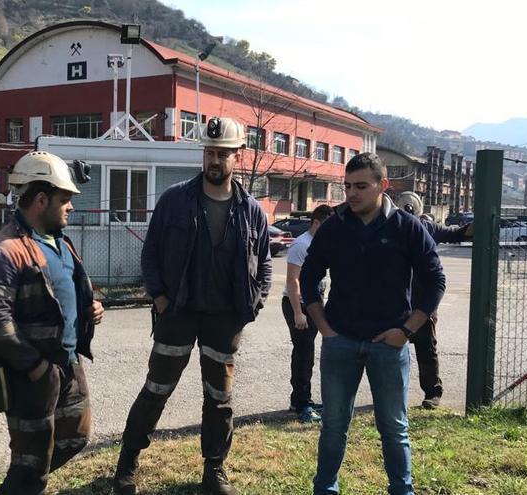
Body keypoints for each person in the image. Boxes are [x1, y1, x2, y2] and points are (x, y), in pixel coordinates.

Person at [112, 117, 272, 495]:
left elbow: (263, 261)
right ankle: (127, 464)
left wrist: (256, 300)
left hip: (224, 319)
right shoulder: (175, 199)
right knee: (156, 389)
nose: (214, 161)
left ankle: (214, 470)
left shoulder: (251, 211)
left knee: (219, 398)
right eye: (209, 153)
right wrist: (161, 297)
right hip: (178, 313)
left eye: (222, 154)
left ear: (237, 157)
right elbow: (150, 254)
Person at [300, 153, 446, 495]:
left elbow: (435, 281)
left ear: (383, 186)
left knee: (394, 428)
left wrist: (407, 331)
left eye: (361, 186)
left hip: (390, 346)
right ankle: (325, 489)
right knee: (334, 426)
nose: (351, 193)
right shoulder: (334, 227)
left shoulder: (408, 227)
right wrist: (325, 328)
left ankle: (402, 489)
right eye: (347, 186)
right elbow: (308, 277)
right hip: (341, 343)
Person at [0, 151, 105, 495]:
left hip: (69, 365)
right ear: (41, 199)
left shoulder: (60, 242)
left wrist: (90, 307)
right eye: (65, 199)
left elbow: (66, 291)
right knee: (30, 465)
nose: (71, 206)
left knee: (75, 437)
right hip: (32, 376)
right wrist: (34, 367)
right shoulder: (4, 250)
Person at [395, 192, 472, 409]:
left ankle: (432, 392)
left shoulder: (427, 227)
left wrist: (480, 221)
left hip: (422, 300)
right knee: (391, 348)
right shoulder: (390, 226)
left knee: (425, 346)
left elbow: (457, 234)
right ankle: (392, 392)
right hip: (396, 298)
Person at [282, 204, 335, 423]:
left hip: (313, 303)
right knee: (303, 353)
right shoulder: (301, 244)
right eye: (326, 226)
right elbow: (292, 280)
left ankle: (304, 399)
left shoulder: (320, 243)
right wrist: (297, 313)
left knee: (308, 353)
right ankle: (301, 403)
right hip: (299, 305)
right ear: (316, 223)